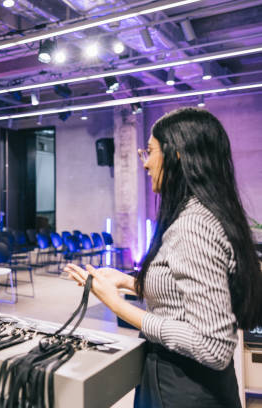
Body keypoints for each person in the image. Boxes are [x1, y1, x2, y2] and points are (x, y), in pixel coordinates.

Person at [65, 108, 262, 408]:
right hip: (182, 384)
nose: (145, 163)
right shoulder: (198, 215)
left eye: (151, 151)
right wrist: (130, 283)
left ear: (179, 155)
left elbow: (212, 346)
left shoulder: (194, 225)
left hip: (185, 391)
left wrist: (115, 303)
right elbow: (183, 295)